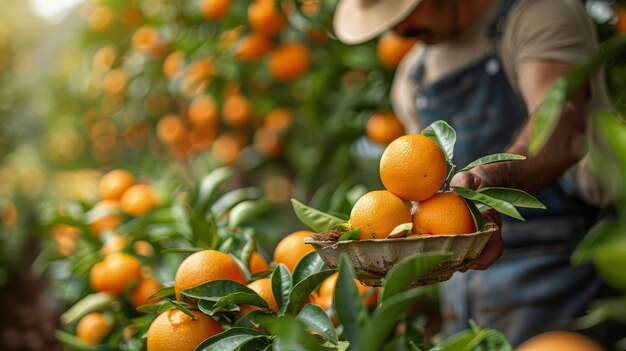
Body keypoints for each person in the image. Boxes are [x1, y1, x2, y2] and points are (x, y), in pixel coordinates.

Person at [333, 0, 619, 347]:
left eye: (403, 14)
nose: (399, 31)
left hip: (563, 274)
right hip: (463, 301)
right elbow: (418, 199)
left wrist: (491, 183)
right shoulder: (413, 75)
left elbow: (560, 131)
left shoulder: (539, 13)